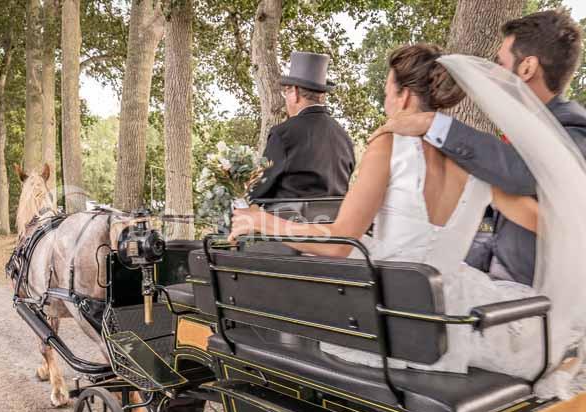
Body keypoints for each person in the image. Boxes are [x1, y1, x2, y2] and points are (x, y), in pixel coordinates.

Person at [230, 44, 549, 383]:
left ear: (405, 97)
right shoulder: (475, 158)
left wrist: (263, 221)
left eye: (386, 93)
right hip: (454, 310)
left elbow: (339, 243)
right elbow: (542, 222)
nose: (385, 103)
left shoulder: (388, 145)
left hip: (393, 314)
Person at [369, 10, 586, 286]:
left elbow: (522, 174)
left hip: (537, 295)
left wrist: (434, 124)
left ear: (527, 68)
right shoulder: (526, 131)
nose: (492, 75)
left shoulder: (575, 130)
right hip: (494, 279)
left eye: (500, 64)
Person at [249, 52, 356, 218]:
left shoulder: (283, 133)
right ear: (321, 95)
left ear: (296, 92)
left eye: (287, 92)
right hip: (332, 229)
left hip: (289, 231)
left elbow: (259, 188)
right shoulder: (344, 137)